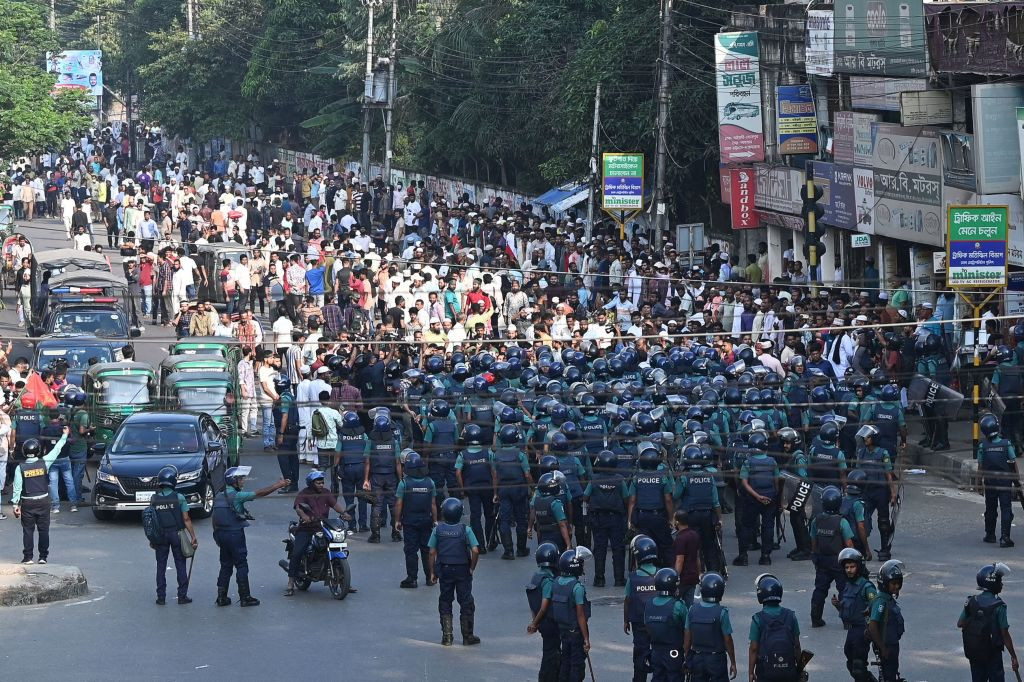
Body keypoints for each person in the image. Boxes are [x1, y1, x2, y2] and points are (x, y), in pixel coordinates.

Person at [211, 466, 290, 607]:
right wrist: (278, 485)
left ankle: (221, 597)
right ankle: (245, 597)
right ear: (234, 481)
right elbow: (260, 493)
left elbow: (214, 519)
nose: (243, 481)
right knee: (241, 565)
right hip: (235, 534)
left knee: (225, 565)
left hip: (221, 534)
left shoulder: (218, 496)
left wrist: (217, 537)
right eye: (241, 479)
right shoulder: (237, 496)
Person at [284, 470, 354, 596]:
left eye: (322, 482)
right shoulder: (304, 493)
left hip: (322, 527)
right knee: (298, 552)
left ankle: (343, 579)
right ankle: (290, 582)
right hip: (307, 528)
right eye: (318, 483)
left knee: (336, 544)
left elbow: (335, 504)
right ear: (311, 483)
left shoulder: (326, 493)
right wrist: (304, 516)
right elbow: (299, 508)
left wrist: (344, 513)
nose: (321, 485)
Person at [428, 497, 481, 646]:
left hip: (444, 570)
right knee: (466, 602)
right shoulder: (465, 530)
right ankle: (467, 636)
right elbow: (476, 550)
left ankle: (447, 636)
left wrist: (432, 573)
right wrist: (472, 568)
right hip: (463, 570)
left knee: (445, 601)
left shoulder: (437, 530)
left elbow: (432, 552)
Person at [11, 428, 69, 564]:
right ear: (38, 451)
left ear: (24, 452)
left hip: (27, 503)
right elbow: (57, 449)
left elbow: (17, 488)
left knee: (28, 531)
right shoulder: (45, 462)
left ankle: (28, 557)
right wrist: (64, 435)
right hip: (43, 501)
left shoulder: (20, 468)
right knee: (44, 531)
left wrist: (15, 505)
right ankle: (43, 557)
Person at [534, 549, 591, 682]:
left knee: (565, 662)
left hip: (563, 630)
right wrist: (586, 638)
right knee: (576, 665)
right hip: (576, 632)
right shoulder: (577, 588)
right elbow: (581, 616)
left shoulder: (556, 582)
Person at [958, 563, 1019, 682]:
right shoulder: (999, 606)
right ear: (993, 583)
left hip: (975, 652)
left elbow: (960, 623)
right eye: (999, 581)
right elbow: (1004, 634)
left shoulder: (971, 601)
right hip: (993, 654)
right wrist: (1013, 656)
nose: (1002, 584)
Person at [148, 466, 198, 605]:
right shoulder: (179, 497)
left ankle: (161, 597)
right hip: (177, 535)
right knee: (180, 564)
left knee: (161, 566)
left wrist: (152, 539)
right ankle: (182, 596)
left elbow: (152, 520)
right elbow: (186, 519)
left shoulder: (154, 498)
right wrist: (193, 536)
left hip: (161, 536)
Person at [809, 486, 854, 628]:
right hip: (839, 561)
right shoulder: (842, 522)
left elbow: (813, 541)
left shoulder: (817, 520)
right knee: (844, 590)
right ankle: (847, 621)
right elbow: (849, 544)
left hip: (822, 560)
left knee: (820, 589)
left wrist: (815, 555)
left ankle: (815, 618)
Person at [674, 444, 722, 573]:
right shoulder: (709, 476)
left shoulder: (685, 477)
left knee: (693, 545)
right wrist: (719, 519)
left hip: (690, 517)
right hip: (707, 516)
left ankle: (697, 572)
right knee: (710, 545)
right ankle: (714, 573)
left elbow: (675, 495)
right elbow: (716, 502)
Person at [584, 450, 629, 587]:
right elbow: (626, 498)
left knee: (599, 549)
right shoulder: (620, 479)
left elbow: (585, 496)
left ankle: (599, 579)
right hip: (616, 519)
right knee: (618, 549)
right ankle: (619, 579)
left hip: (598, 519)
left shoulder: (594, 479)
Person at [833, 548, 877, 681]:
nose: (849, 570)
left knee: (858, 667)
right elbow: (849, 610)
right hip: (851, 630)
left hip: (863, 630)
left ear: (858, 567)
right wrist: (838, 605)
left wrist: (872, 630)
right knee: (851, 664)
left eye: (852, 566)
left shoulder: (867, 587)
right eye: (846, 567)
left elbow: (876, 608)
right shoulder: (848, 585)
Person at [855, 425, 898, 561]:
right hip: (866, 491)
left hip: (880, 492)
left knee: (883, 522)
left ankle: (884, 549)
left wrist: (893, 493)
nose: (865, 439)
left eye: (868, 436)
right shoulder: (861, 453)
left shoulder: (883, 453)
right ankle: (861, 549)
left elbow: (888, 474)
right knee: (863, 520)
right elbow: (856, 473)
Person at [684, 572, 737, 682]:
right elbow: (728, 640)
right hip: (716, 659)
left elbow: (687, 639)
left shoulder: (692, 610)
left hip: (697, 658)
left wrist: (687, 658)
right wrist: (733, 662)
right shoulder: (722, 612)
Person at [396, 452, 439, 588]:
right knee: (427, 550)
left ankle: (412, 578)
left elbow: (399, 504)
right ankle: (430, 577)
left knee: (411, 550)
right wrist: (435, 520)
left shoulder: (404, 484)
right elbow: (433, 504)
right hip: (426, 521)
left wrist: (397, 520)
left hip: (410, 522)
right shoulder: (430, 482)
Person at [627, 448, 675, 567]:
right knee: (666, 545)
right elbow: (668, 500)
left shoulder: (636, 477)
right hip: (659, 517)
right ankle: (670, 573)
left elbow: (632, 501)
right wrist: (671, 519)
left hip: (642, 517)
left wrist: (629, 520)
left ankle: (644, 571)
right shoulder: (663, 477)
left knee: (643, 545)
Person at [738, 431, 780, 566]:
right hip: (770, 498)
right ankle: (766, 556)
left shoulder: (747, 462)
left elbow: (744, 483)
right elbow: (776, 481)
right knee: (768, 527)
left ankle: (743, 556)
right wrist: (774, 497)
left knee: (746, 526)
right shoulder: (772, 461)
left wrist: (757, 496)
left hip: (752, 499)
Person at [492, 424, 533, 560]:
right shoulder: (520, 455)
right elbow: (527, 474)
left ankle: (508, 550)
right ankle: (521, 549)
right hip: (519, 490)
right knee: (521, 519)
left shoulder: (496, 455)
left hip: (504, 490)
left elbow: (495, 476)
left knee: (504, 520)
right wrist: (531, 488)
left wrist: (496, 493)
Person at [454, 423, 497, 554]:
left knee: (475, 516)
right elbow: (494, 473)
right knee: (490, 515)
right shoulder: (488, 452)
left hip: (472, 490)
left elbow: (457, 473)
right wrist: (495, 491)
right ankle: (491, 541)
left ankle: (480, 544)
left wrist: (462, 489)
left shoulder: (463, 455)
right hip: (488, 489)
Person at [977, 413, 1017, 547]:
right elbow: (1013, 463)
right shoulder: (1006, 444)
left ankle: (990, 535)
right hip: (1005, 483)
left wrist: (978, 484)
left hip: (990, 483)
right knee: (1006, 509)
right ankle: (1005, 537)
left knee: (990, 509)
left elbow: (980, 468)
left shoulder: (983, 446)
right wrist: (1017, 480)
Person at [624, 535, 660, 682]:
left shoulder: (633, 578)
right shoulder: (661, 574)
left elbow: (627, 600)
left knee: (640, 654)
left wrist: (626, 620)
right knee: (660, 652)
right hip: (660, 623)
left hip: (639, 623)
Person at [363, 412, 402, 544]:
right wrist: (400, 478)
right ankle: (396, 533)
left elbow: (367, 462)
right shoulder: (394, 442)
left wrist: (366, 480)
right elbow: (398, 462)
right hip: (391, 476)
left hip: (376, 477)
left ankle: (376, 535)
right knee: (393, 505)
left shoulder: (370, 441)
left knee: (377, 505)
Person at [526, 542, 562, 682]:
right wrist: (534, 624)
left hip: (542, 623)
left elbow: (533, 603)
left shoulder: (536, 576)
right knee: (551, 655)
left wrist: (535, 621)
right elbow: (544, 606)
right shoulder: (548, 581)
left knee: (549, 652)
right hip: (549, 623)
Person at [644, 567, 688, 682]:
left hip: (656, 652)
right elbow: (688, 629)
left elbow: (647, 627)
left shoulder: (649, 604)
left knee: (657, 677)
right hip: (674, 653)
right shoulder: (678, 606)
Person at [867, 560, 906, 682]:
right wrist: (883, 648)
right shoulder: (881, 602)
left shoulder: (888, 599)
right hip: (887, 646)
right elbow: (872, 626)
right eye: (893, 584)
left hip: (893, 644)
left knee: (892, 672)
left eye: (898, 583)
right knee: (888, 676)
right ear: (884, 583)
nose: (896, 586)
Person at [336, 410, 370, 531]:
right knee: (362, 498)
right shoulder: (363, 435)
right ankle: (363, 525)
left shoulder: (342, 436)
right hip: (361, 468)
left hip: (347, 469)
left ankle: (352, 526)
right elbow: (367, 455)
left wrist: (336, 469)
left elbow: (337, 454)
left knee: (349, 498)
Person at [529, 471, 572, 553]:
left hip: (543, 536)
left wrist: (530, 528)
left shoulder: (537, 501)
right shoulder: (555, 503)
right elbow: (562, 525)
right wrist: (568, 544)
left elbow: (537, 521)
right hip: (556, 536)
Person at [672, 510, 702, 607]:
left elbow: (680, 560)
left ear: (677, 522)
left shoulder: (680, 538)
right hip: (693, 577)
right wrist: (699, 573)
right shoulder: (695, 534)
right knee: (689, 606)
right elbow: (697, 557)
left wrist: (676, 578)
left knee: (675, 604)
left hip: (683, 578)